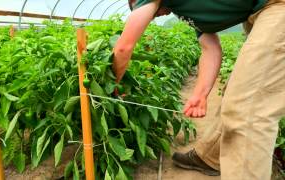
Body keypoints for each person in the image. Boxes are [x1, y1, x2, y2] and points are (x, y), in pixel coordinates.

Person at [112, 0, 285, 179]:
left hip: (277, 7)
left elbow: (124, 47)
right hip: (260, 13)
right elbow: (211, 49)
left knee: (248, 109)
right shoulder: (186, 10)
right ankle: (211, 158)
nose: (158, 16)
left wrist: (113, 85)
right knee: (238, 91)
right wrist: (200, 94)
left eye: (153, 14)